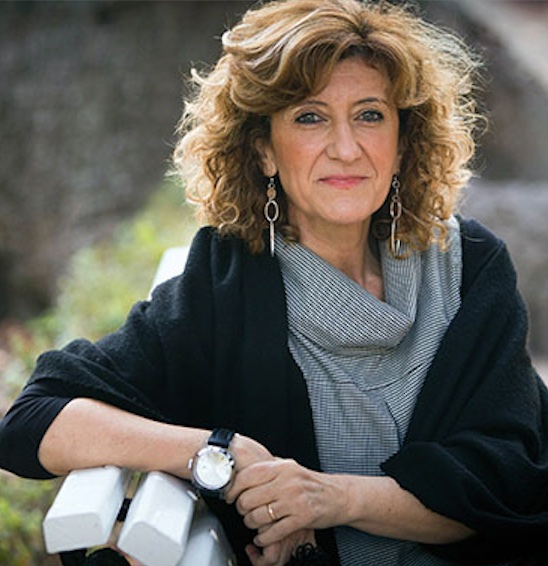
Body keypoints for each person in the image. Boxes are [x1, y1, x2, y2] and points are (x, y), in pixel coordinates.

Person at [1, 0, 547, 565]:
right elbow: (35, 419)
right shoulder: (228, 289)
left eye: (369, 115)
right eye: (310, 117)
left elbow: (509, 483)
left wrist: (330, 498)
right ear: (263, 149)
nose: (346, 148)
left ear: (403, 141)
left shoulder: (470, 268)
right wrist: (219, 453)